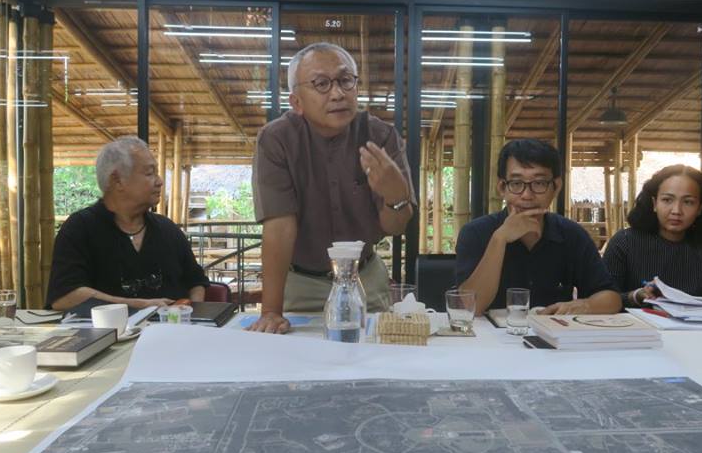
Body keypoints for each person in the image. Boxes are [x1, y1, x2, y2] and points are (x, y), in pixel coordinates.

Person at [249, 42, 416, 334]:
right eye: (321, 84)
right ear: (296, 102)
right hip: (302, 283)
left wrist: (395, 195)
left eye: (345, 80)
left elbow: (396, 226)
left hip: (365, 279)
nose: (337, 93)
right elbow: (279, 227)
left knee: (373, 357)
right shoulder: (276, 140)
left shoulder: (380, 136)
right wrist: (271, 311)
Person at [455, 139, 621, 315]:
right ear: (502, 188)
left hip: (555, 330)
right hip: (490, 333)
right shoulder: (475, 232)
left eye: (539, 183)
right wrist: (499, 239)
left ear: (556, 187)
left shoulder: (572, 234)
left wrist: (584, 305)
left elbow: (612, 298)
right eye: (516, 183)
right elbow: (470, 307)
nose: (527, 195)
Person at [46, 136, 209, 311]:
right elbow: (64, 297)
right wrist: (137, 306)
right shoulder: (80, 228)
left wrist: (192, 314)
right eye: (150, 173)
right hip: (106, 328)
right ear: (117, 180)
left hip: (172, 326)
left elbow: (196, 282)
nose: (160, 181)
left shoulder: (168, 229)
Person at [602, 164, 702, 308]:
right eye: (667, 200)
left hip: (692, 323)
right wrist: (636, 295)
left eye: (688, 202)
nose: (676, 211)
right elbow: (601, 298)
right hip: (633, 322)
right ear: (654, 203)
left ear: (700, 208)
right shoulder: (624, 242)